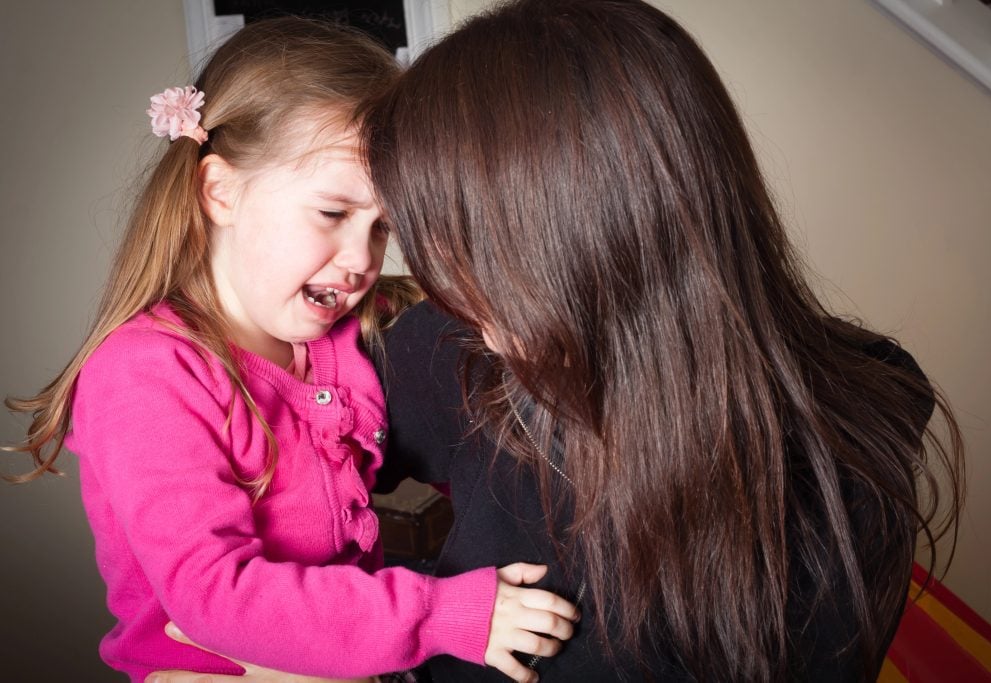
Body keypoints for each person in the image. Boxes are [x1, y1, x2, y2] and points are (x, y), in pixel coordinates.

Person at [149, 0, 965, 681]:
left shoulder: (842, 466)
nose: (444, 287)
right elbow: (283, 480)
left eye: (474, 248)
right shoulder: (465, 343)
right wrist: (286, 633)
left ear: (602, 235)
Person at [3, 17, 578, 683]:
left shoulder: (348, 341)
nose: (362, 259)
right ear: (220, 192)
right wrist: (441, 613)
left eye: (382, 227)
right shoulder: (146, 374)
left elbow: (473, 457)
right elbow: (217, 595)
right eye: (332, 214)